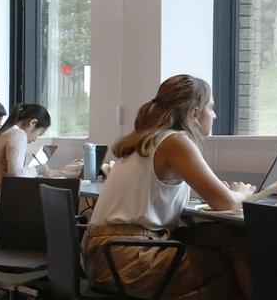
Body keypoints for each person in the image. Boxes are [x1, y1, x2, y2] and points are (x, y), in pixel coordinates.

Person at [83, 75, 254, 300]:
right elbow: (226, 203)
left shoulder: (149, 140)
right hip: (125, 258)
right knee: (224, 263)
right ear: (194, 113)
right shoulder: (175, 141)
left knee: (224, 236)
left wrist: (207, 188)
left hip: (105, 254)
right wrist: (242, 193)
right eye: (210, 108)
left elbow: (158, 186)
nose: (214, 115)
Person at [0, 103, 51, 212]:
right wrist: (40, 169)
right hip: (1, 204)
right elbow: (16, 174)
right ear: (32, 123)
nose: (36, 139)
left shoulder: (4, 133)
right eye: (39, 134)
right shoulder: (18, 135)